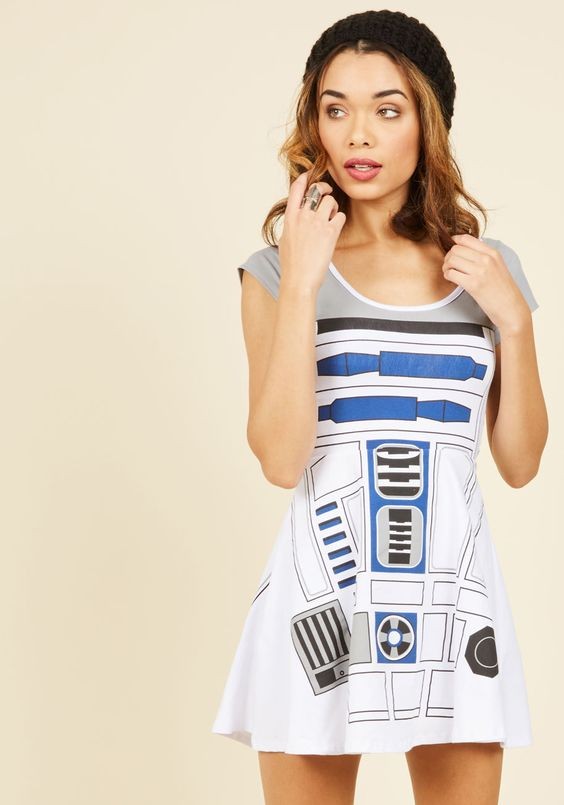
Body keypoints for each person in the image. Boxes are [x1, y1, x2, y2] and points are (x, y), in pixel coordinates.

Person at [211, 9, 548, 804]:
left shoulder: (486, 268)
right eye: (336, 109)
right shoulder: (274, 272)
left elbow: (521, 461)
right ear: (315, 122)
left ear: (427, 123)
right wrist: (303, 282)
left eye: (386, 110)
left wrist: (515, 320)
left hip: (455, 599)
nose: (357, 134)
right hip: (322, 599)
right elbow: (280, 458)